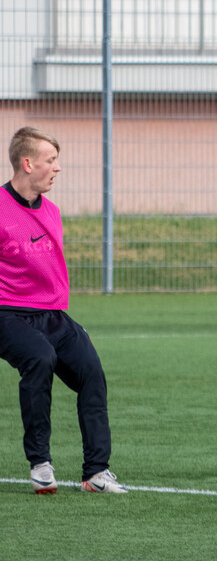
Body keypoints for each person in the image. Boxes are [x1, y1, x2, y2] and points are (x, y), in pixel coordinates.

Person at [0, 127, 127, 494]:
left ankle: (96, 473)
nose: (57, 168)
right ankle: (40, 462)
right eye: (50, 160)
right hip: (8, 313)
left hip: (52, 315)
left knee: (91, 371)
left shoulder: (52, 211)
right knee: (40, 358)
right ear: (28, 163)